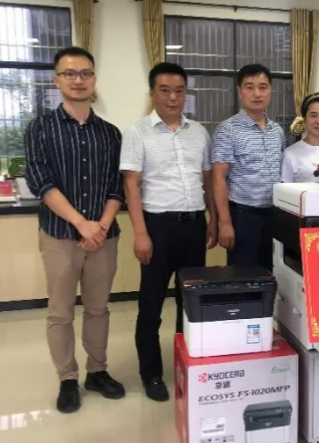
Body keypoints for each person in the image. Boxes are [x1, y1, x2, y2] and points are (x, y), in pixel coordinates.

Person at [24, 46, 126, 414]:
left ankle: (97, 371)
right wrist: (82, 223)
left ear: (94, 79)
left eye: (85, 73)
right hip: (59, 236)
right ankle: (67, 377)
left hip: (103, 237)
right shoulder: (39, 128)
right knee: (60, 312)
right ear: (57, 80)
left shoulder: (111, 134)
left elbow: (118, 185)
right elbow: (41, 181)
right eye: (70, 73)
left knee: (98, 309)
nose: (78, 80)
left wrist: (100, 225)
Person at [119, 62, 217, 402]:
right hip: (157, 227)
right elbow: (131, 186)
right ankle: (151, 374)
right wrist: (140, 233)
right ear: (152, 94)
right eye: (165, 90)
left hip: (194, 225)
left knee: (190, 303)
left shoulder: (199, 132)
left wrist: (214, 219)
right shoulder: (137, 133)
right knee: (151, 304)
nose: (173, 97)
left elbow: (207, 179)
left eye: (179, 91)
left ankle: (184, 365)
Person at [212, 64, 285, 272]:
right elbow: (218, 178)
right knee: (242, 276)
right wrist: (225, 222)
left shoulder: (277, 131)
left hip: (275, 215)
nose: (257, 94)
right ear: (240, 91)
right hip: (243, 216)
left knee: (275, 272)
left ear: (270, 90)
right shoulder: (227, 130)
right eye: (250, 87)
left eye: (263, 87)